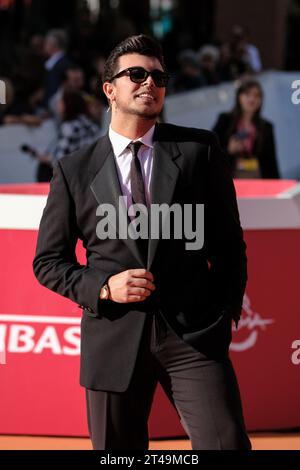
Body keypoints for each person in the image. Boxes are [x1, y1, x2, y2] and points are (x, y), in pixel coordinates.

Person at [33, 34, 251, 450]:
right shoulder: (75, 170)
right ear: (109, 89)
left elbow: (228, 243)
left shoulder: (198, 151)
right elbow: (48, 261)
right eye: (136, 74)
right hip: (113, 337)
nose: (149, 82)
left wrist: (224, 313)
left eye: (158, 76)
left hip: (193, 336)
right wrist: (102, 287)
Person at [213, 79, 279, 179]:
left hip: (257, 180)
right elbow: (211, 151)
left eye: (257, 95)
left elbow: (271, 163)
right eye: (247, 94)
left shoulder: (266, 127)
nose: (252, 99)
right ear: (239, 97)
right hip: (229, 179)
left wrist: (276, 187)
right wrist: (228, 150)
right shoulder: (225, 120)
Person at [35, 90, 101, 182]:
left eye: (61, 103)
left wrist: (47, 159)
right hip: (91, 175)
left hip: (73, 177)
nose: (58, 107)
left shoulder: (69, 127)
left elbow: (59, 159)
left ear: (68, 105)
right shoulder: (92, 126)